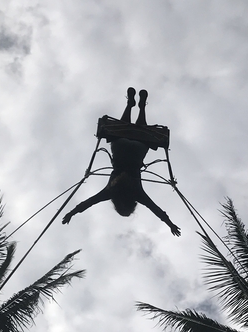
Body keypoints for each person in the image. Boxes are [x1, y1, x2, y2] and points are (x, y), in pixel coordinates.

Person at [62, 88, 181, 236]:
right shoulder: (110, 192)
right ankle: (130, 105)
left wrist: (170, 224)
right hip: (121, 147)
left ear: (132, 205)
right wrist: (71, 213)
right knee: (122, 133)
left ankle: (141, 107)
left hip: (137, 150)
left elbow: (156, 210)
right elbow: (88, 203)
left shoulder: (137, 194)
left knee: (140, 133)